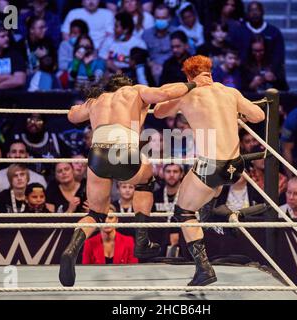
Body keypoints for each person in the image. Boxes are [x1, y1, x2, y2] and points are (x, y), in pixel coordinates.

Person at [59, 72, 213, 287]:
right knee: (146, 179)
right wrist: (194, 84)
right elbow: (163, 93)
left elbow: (72, 116)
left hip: (96, 155)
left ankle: (71, 249)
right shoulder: (135, 91)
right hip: (123, 151)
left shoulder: (97, 100)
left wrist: (83, 106)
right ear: (126, 84)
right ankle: (141, 239)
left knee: (96, 213)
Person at [153, 55, 265, 286]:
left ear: (188, 76)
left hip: (211, 165)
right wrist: (234, 113)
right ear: (210, 71)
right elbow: (259, 115)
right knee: (203, 192)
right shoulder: (229, 92)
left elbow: (158, 112)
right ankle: (225, 216)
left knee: (183, 212)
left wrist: (186, 89)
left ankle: (204, 268)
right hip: (236, 166)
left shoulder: (188, 93)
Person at [142, 3, 175, 83]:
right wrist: (151, 64)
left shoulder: (176, 33)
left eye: (163, 18)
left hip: (172, 66)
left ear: (169, 18)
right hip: (153, 68)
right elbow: (142, 55)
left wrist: (166, 66)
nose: (160, 21)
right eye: (158, 18)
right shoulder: (146, 34)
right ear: (154, 18)